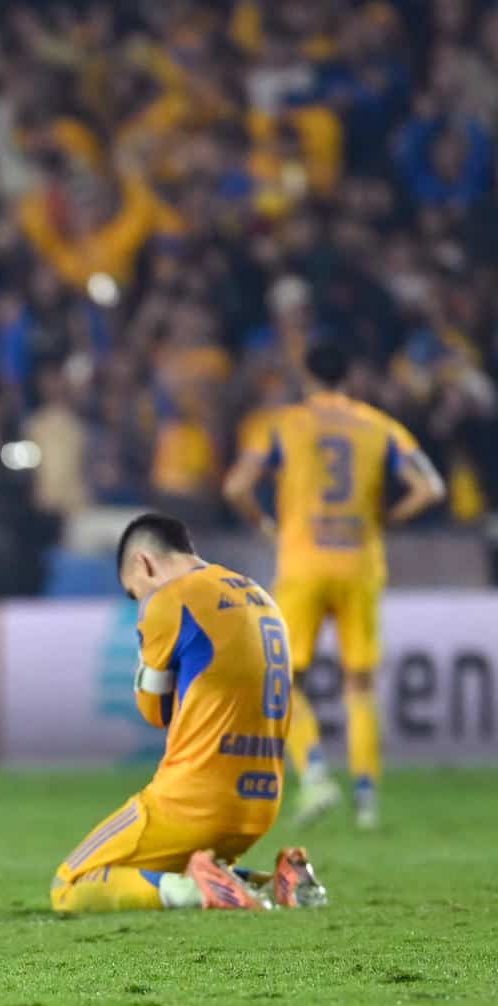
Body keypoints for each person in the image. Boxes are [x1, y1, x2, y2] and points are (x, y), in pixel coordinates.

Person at [51, 513, 326, 914]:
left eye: (137, 591)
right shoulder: (262, 597)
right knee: (186, 866)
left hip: (190, 802)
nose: (142, 600)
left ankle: (195, 893)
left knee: (69, 885)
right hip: (260, 804)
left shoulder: (170, 600)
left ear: (144, 563)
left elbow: (152, 712)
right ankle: (283, 880)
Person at [223, 341, 445, 828]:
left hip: (302, 562)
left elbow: (237, 486)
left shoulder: (285, 424)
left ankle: (316, 773)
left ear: (308, 379)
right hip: (360, 562)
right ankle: (366, 798)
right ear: (352, 378)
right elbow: (431, 487)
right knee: (360, 683)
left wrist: (265, 524)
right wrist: (386, 518)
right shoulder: (379, 426)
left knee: (286, 678)